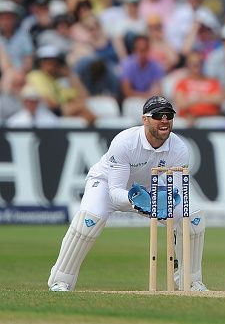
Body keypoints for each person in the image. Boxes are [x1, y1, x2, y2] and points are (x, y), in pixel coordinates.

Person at [47, 95, 208, 292]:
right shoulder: (125, 142)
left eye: (168, 115)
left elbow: (177, 190)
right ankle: (60, 280)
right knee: (88, 222)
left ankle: (189, 281)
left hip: (149, 190)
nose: (164, 120)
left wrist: (168, 200)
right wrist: (139, 201)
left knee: (192, 217)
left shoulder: (179, 148)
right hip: (107, 185)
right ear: (145, 119)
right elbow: (115, 192)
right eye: (158, 115)